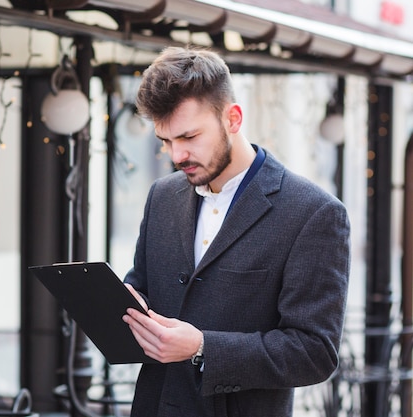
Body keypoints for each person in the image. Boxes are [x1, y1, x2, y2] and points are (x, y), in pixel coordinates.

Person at [121, 46, 351, 417]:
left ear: (233, 118)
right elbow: (142, 292)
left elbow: (315, 353)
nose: (176, 156)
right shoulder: (161, 196)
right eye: (165, 141)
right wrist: (118, 305)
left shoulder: (314, 213)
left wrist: (202, 347)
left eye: (189, 137)